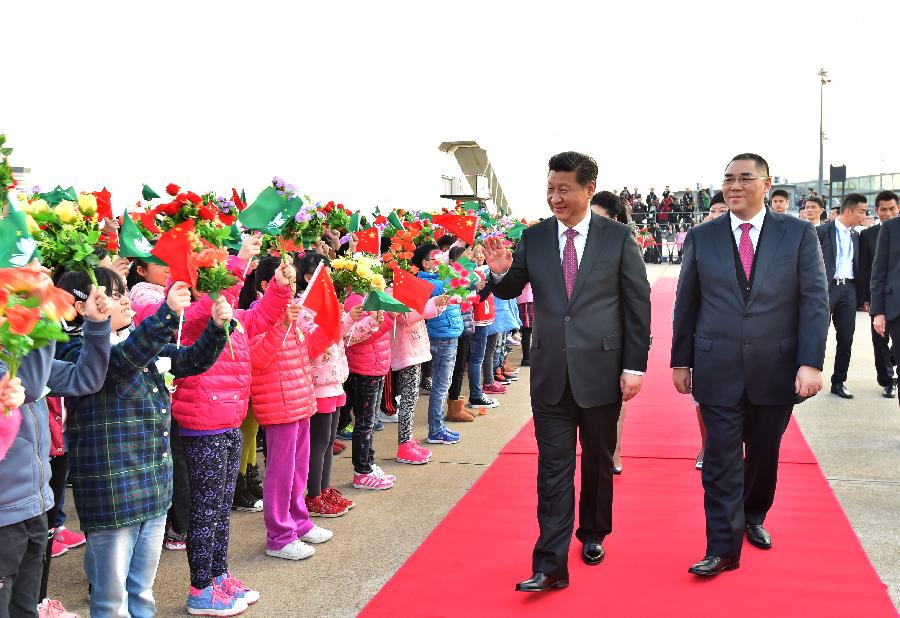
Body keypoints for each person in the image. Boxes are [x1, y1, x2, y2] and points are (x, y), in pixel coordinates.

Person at [484, 151, 651, 592]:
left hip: (602, 370)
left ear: (589, 188)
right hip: (551, 373)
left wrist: (635, 366)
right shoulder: (535, 237)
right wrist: (498, 273)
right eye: (550, 189)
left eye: (564, 189)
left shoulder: (617, 237)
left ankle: (593, 532)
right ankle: (550, 563)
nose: (555, 197)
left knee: (597, 463)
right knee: (552, 470)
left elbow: (637, 305)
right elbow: (510, 287)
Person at [672, 152, 829, 576]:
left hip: (775, 368)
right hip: (716, 367)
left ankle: (754, 514)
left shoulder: (797, 235)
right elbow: (686, 303)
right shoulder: (701, 239)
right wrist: (680, 360)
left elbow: (815, 301)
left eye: (745, 178)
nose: (734, 186)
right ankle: (721, 547)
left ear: (765, 182)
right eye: (728, 179)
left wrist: (810, 362)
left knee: (764, 451)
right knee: (721, 457)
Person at [56, 269, 231, 617]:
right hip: (113, 491)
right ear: (81, 306)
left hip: (153, 487)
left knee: (142, 590)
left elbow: (190, 359)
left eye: (122, 293)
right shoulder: (77, 351)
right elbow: (117, 365)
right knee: (110, 598)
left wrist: (215, 328)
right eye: (112, 295)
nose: (124, 301)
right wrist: (167, 314)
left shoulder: (135, 342)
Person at [0, 264, 111, 618]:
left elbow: (85, 379)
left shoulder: (20, 351)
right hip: (5, 515)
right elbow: (31, 386)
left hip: (36, 505)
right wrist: (45, 312)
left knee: (25, 607)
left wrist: (95, 325)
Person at [248, 256, 334, 561]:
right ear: (266, 285)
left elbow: (307, 351)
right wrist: (280, 325)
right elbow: (257, 358)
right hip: (278, 402)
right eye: (286, 281)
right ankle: (279, 535)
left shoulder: (291, 315)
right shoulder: (256, 316)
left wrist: (335, 327)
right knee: (281, 474)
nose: (293, 288)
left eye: (294, 282)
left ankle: (298, 522)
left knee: (298, 470)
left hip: (299, 401)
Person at [303, 253, 371, 515]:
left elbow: (340, 336)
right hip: (318, 383)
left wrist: (351, 320)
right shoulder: (305, 308)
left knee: (328, 440)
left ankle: (324, 487)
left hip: (334, 381)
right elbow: (315, 341)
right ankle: (313, 494)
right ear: (309, 277)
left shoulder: (330, 304)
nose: (330, 279)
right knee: (318, 443)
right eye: (324, 274)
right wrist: (343, 320)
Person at [817, 193, 868, 399]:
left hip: (849, 290)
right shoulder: (821, 232)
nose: (864, 216)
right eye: (862, 211)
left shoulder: (857, 236)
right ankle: (805, 376)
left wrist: (863, 296)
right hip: (825, 289)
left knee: (846, 337)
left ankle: (838, 382)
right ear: (848, 210)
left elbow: (862, 267)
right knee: (816, 335)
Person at [413, 244, 465, 445]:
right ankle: (436, 429)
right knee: (441, 386)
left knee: (441, 385)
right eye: (437, 259)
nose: (442, 261)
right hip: (442, 336)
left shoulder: (437, 279)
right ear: (425, 264)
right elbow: (460, 282)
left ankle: (438, 427)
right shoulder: (433, 283)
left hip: (444, 334)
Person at [859, 191, 900, 397]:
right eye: (883, 209)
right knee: (880, 342)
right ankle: (887, 379)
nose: (888, 212)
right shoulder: (875, 233)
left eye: (892, 208)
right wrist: (869, 301)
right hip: (885, 300)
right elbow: (871, 269)